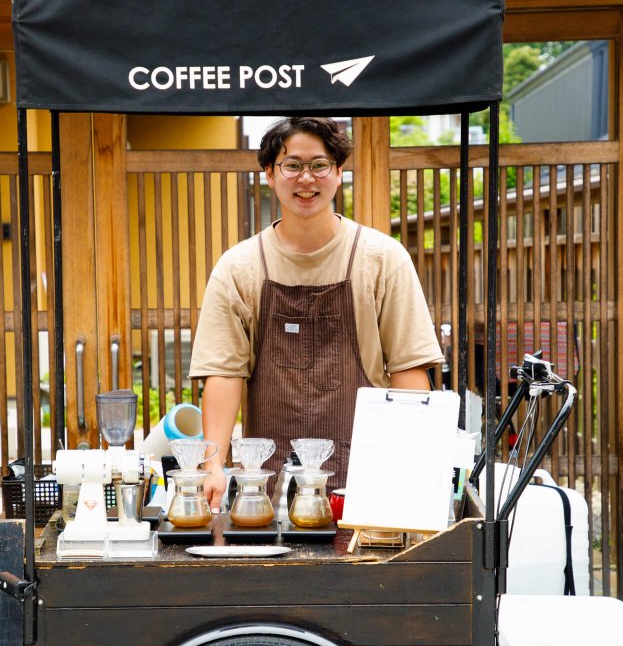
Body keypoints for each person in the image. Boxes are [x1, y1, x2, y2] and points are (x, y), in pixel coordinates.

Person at [188, 116, 443, 511]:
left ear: (339, 173)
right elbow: (224, 372)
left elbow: (408, 368)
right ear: (270, 175)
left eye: (319, 165)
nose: (306, 178)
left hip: (364, 478)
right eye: (292, 166)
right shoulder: (239, 266)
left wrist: (407, 469)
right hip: (265, 487)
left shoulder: (381, 258)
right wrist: (213, 466)